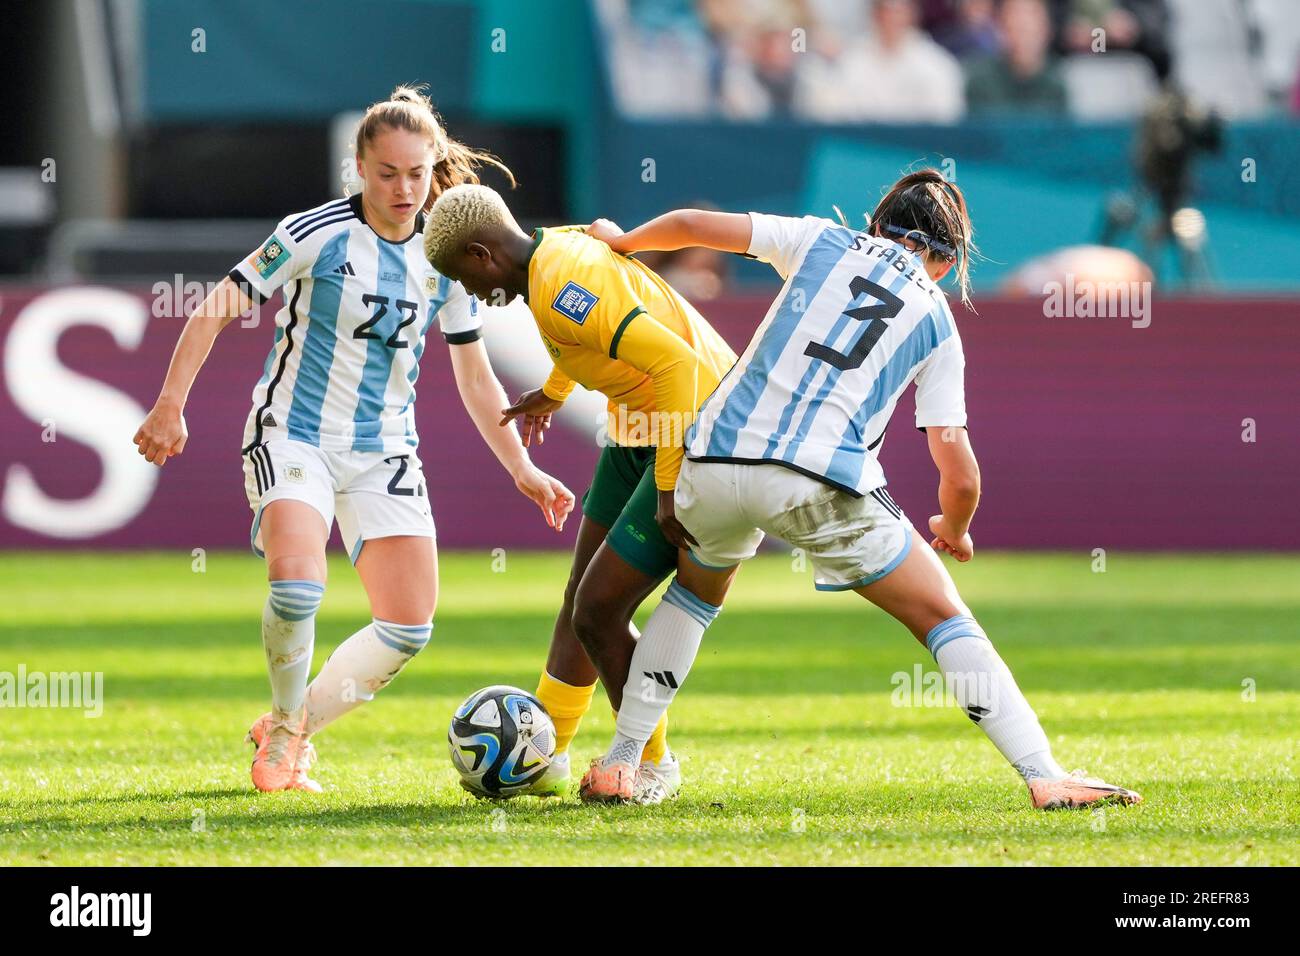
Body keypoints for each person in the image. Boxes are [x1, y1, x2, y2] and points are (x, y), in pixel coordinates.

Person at [578, 169, 1144, 810]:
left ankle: (625, 762)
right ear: (947, 259)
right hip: (819, 481)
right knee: (943, 617)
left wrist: (622, 241)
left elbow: (693, 224)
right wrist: (953, 529)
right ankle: (1045, 775)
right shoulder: (936, 317)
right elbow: (959, 472)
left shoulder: (821, 239)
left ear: (876, 223)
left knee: (693, 595)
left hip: (710, 460)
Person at [132, 87, 575, 793]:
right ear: (359, 169)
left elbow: (473, 375)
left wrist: (521, 466)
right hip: (293, 433)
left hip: (384, 450)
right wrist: (169, 405)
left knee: (408, 627)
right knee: (298, 587)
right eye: (387, 172)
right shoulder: (314, 233)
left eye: (417, 174)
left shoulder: (446, 254)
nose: (403, 188)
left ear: (434, 171)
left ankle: (295, 723)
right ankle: (282, 735)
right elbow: (216, 307)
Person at [422, 184, 737, 804]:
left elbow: (678, 367)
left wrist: (670, 488)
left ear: (483, 254)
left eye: (464, 276)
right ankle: (547, 753)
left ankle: (653, 765)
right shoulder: (552, 255)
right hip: (636, 427)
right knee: (579, 599)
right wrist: (556, 389)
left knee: (598, 609)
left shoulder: (563, 286)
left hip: (693, 427)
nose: (471, 294)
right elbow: (591, 333)